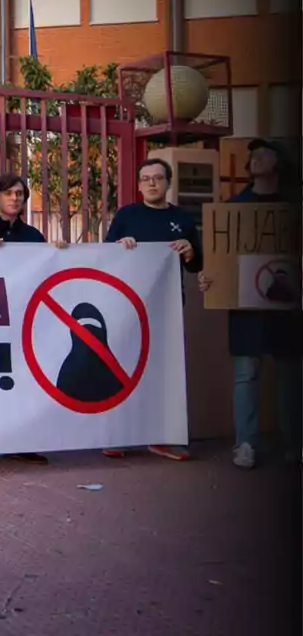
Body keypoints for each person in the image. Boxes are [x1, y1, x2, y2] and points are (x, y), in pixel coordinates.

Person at [198, 139, 302, 469]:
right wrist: (210, 278)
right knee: (247, 374)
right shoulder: (233, 208)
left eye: (264, 153)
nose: (256, 159)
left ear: (280, 162)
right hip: (246, 309)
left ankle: (295, 442)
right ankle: (245, 443)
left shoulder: (294, 206)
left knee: (290, 375)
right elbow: (218, 261)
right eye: (253, 155)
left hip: (289, 309)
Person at [102, 157, 202, 461]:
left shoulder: (183, 219)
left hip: (167, 307)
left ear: (168, 183)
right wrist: (121, 244)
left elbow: (197, 265)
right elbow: (105, 254)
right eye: (145, 179)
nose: (151, 183)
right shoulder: (127, 215)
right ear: (139, 184)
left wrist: (190, 251)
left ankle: (160, 437)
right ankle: (118, 435)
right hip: (128, 307)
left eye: (157, 178)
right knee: (123, 368)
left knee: (164, 372)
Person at [0, 173, 65, 466]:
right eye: (9, 193)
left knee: (20, 381)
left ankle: (20, 442)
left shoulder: (33, 236)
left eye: (19, 194)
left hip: (20, 320)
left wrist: (58, 253)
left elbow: (47, 271)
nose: (15, 198)